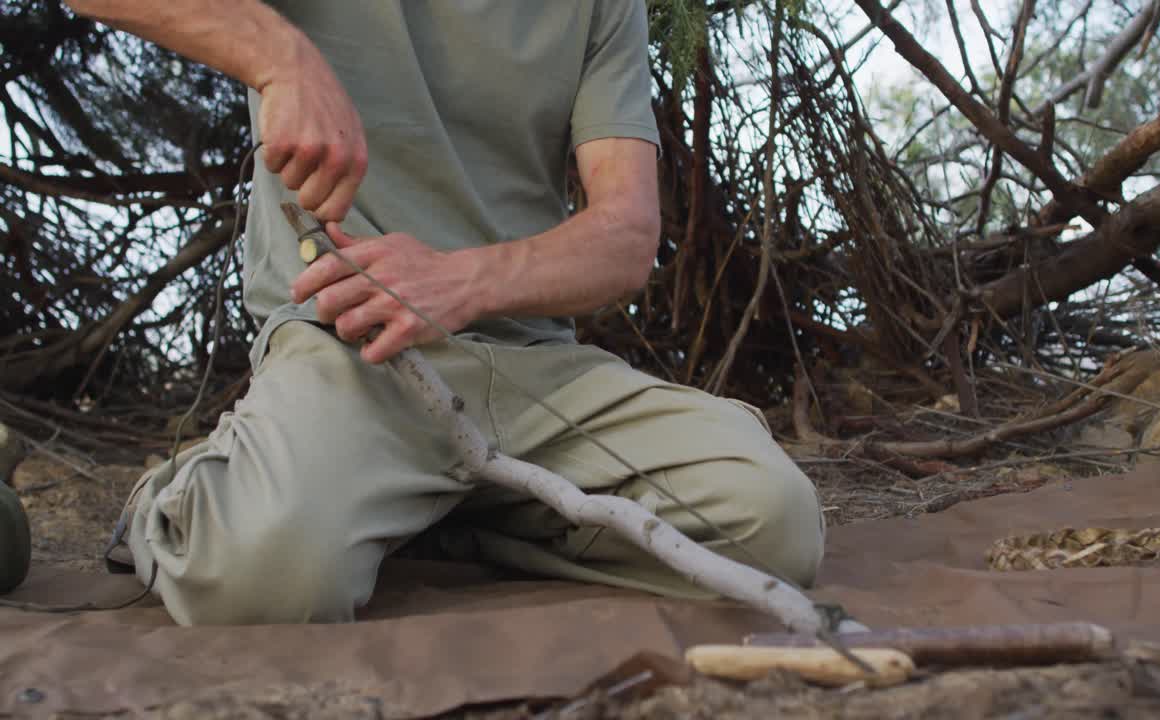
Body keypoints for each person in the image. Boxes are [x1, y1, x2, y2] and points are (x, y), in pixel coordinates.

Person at [65, 0, 826, 626]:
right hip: (352, 357)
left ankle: (442, 512)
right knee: (260, 579)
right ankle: (175, 499)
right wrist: (278, 54)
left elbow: (626, 235)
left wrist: (464, 282)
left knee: (773, 526)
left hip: (534, 369)